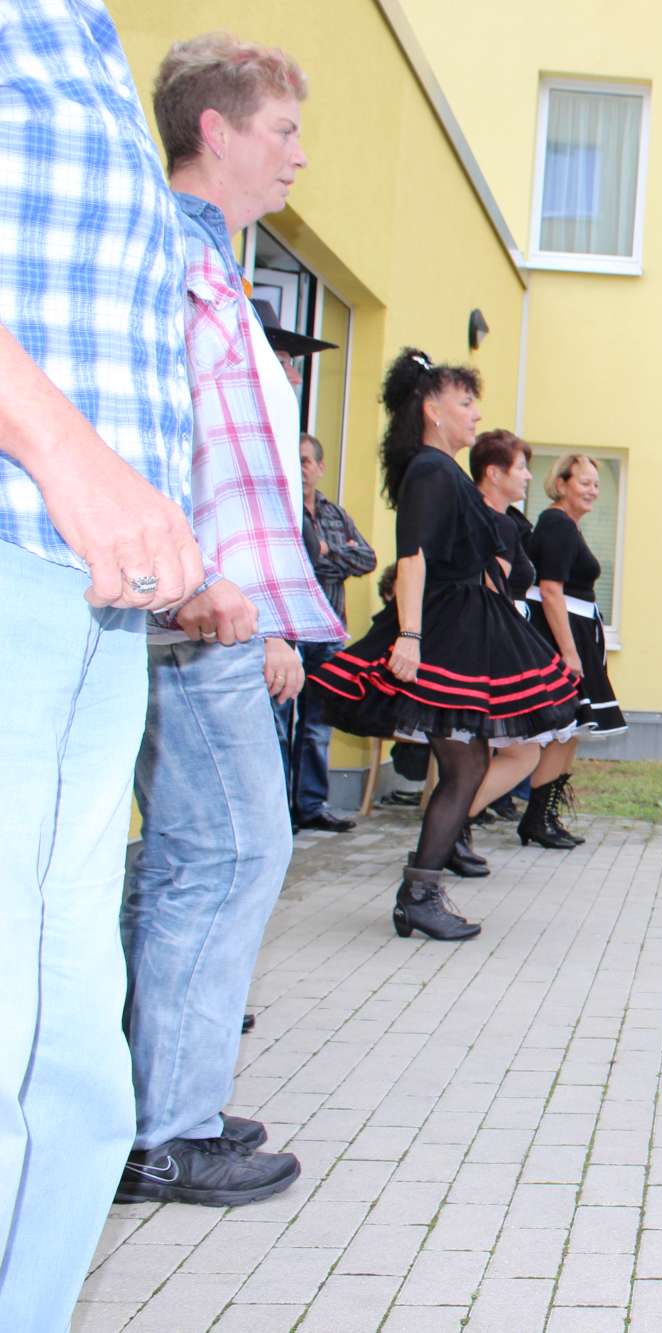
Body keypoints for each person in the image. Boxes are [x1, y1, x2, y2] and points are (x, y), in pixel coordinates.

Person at [120, 33, 350, 1211]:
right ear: (215, 129)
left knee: (195, 857)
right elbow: (160, 437)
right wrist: (211, 590)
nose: (298, 156)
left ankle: (154, 1105)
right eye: (283, 131)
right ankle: (168, 1129)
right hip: (191, 619)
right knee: (228, 855)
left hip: (211, 615)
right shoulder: (171, 253)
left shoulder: (208, 256)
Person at [0, 4, 202, 1321]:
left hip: (87, 600)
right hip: (18, 543)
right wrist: (65, 453)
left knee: (68, 1050)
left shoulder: (81, 29)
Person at [306, 350, 582, 941]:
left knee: (469, 761)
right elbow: (413, 557)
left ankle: (424, 885)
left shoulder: (445, 471)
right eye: (465, 402)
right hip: (443, 627)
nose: (475, 414)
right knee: (464, 763)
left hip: (462, 623)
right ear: (433, 411)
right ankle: (419, 893)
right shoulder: (431, 470)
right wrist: (409, 635)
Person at [465, 428, 564, 857]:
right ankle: (448, 831)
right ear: (493, 472)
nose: (527, 476)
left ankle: (451, 832)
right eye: (521, 467)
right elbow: (492, 595)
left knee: (497, 751)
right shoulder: (495, 525)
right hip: (486, 648)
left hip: (486, 643)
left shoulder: (498, 521)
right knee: (518, 751)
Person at [522, 452, 626, 846]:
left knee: (573, 730)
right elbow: (550, 590)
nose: (593, 491)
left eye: (596, 484)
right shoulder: (557, 524)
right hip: (560, 637)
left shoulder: (568, 525)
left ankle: (545, 815)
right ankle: (536, 819)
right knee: (563, 730)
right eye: (584, 483)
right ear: (561, 483)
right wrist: (569, 652)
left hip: (576, 633)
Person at [288, 429, 376, 832]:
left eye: (306, 461)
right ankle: (278, 811)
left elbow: (367, 559)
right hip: (287, 633)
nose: (301, 469)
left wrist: (325, 550)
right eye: (294, 461)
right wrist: (333, 558)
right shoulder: (281, 510)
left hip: (328, 632)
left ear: (321, 467)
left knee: (317, 727)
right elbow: (295, 564)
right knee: (278, 725)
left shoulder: (335, 515)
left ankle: (310, 806)